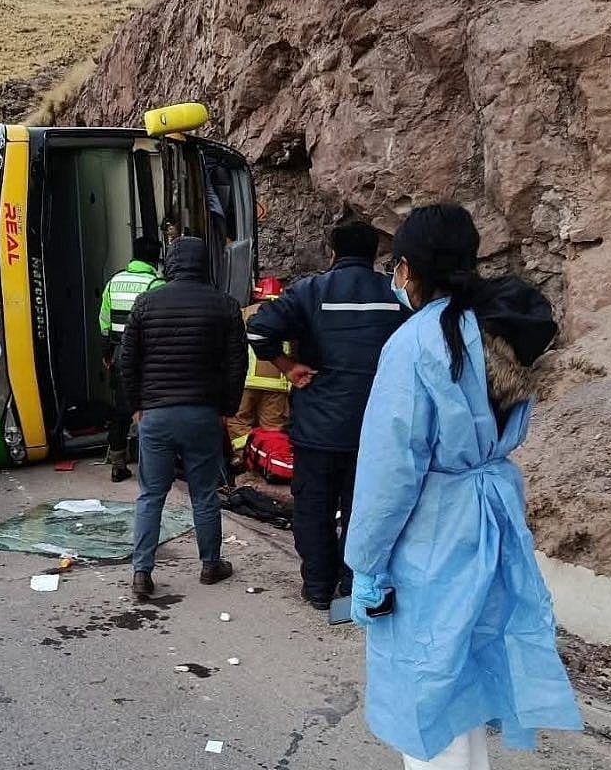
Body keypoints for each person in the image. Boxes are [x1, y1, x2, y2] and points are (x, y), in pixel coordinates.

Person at [345, 203, 580, 769]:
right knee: (468, 673)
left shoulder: (417, 343)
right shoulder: (496, 330)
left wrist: (366, 564)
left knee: (428, 686)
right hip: (489, 521)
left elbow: (390, 471)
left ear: (407, 269)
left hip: (433, 531)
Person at [248, 220, 408, 610]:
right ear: (375, 255)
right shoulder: (396, 295)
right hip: (375, 427)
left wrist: (289, 367)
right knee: (363, 509)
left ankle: (318, 588)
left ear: (332, 252)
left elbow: (257, 330)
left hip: (318, 426)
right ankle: (355, 586)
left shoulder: (310, 290)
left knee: (314, 508)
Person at [119, 236, 246, 597]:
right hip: (202, 413)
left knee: (151, 495)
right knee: (204, 493)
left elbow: (128, 361)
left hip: (156, 414)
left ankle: (142, 573)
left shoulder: (145, 304)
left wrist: (136, 406)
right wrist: (227, 409)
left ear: (169, 263)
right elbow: (237, 363)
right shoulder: (224, 305)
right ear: (205, 263)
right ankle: (210, 565)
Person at [97, 236, 164, 482]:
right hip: (146, 358)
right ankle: (152, 464)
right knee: (149, 408)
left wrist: (106, 352)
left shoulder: (114, 281)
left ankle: (117, 463)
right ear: (156, 258)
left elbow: (104, 320)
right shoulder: (156, 284)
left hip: (119, 355)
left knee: (120, 409)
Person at [226, 276, 291, 470]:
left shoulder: (243, 313)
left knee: (239, 421)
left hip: (245, 382)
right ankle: (268, 462)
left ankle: (243, 457)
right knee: (272, 429)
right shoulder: (287, 316)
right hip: (277, 383)